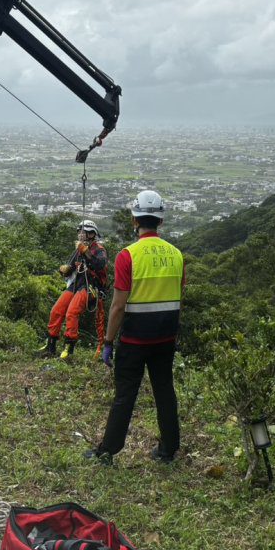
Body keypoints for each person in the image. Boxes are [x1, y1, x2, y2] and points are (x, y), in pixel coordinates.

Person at [85, 190, 185, 464]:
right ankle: (169, 449)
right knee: (165, 391)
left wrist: (107, 341)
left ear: (134, 220)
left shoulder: (128, 256)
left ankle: (108, 450)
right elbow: (179, 299)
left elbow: (118, 306)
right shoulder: (176, 255)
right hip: (165, 339)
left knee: (125, 394)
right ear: (160, 222)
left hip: (134, 341)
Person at [40, 219, 108, 359]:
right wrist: (64, 270)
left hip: (90, 286)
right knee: (57, 310)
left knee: (72, 312)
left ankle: (69, 348)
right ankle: (50, 344)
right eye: (80, 232)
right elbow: (70, 267)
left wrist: (86, 252)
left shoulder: (98, 250)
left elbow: (99, 265)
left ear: (91, 234)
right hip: (76, 283)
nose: (81, 235)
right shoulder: (78, 249)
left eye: (84, 232)